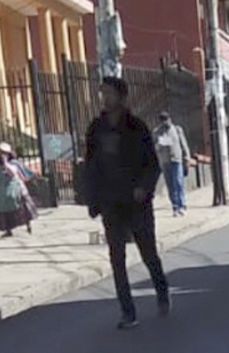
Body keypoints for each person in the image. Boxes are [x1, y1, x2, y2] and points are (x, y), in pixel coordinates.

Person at [82, 76, 171, 330]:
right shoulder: (96, 129)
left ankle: (162, 292)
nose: (105, 98)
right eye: (102, 94)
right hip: (111, 201)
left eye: (109, 93)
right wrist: (92, 199)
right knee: (116, 259)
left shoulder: (137, 127)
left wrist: (144, 188)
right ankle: (127, 311)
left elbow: (152, 165)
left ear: (122, 97)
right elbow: (90, 166)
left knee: (148, 253)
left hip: (136, 201)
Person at [0, 142, 36, 237]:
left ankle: (28, 225)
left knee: (22, 208)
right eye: (0, 153)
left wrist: (6, 163)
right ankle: (8, 230)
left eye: (4, 153)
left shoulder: (14, 163)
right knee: (5, 211)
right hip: (1, 193)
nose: (2, 155)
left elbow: (13, 173)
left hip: (16, 190)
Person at [153, 111, 191, 216]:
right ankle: (175, 206)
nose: (166, 123)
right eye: (163, 121)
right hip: (165, 162)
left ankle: (182, 205)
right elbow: (155, 148)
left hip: (177, 160)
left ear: (170, 119)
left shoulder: (177, 130)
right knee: (170, 185)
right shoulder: (157, 132)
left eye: (167, 120)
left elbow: (184, 144)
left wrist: (187, 158)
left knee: (178, 182)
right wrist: (159, 145)